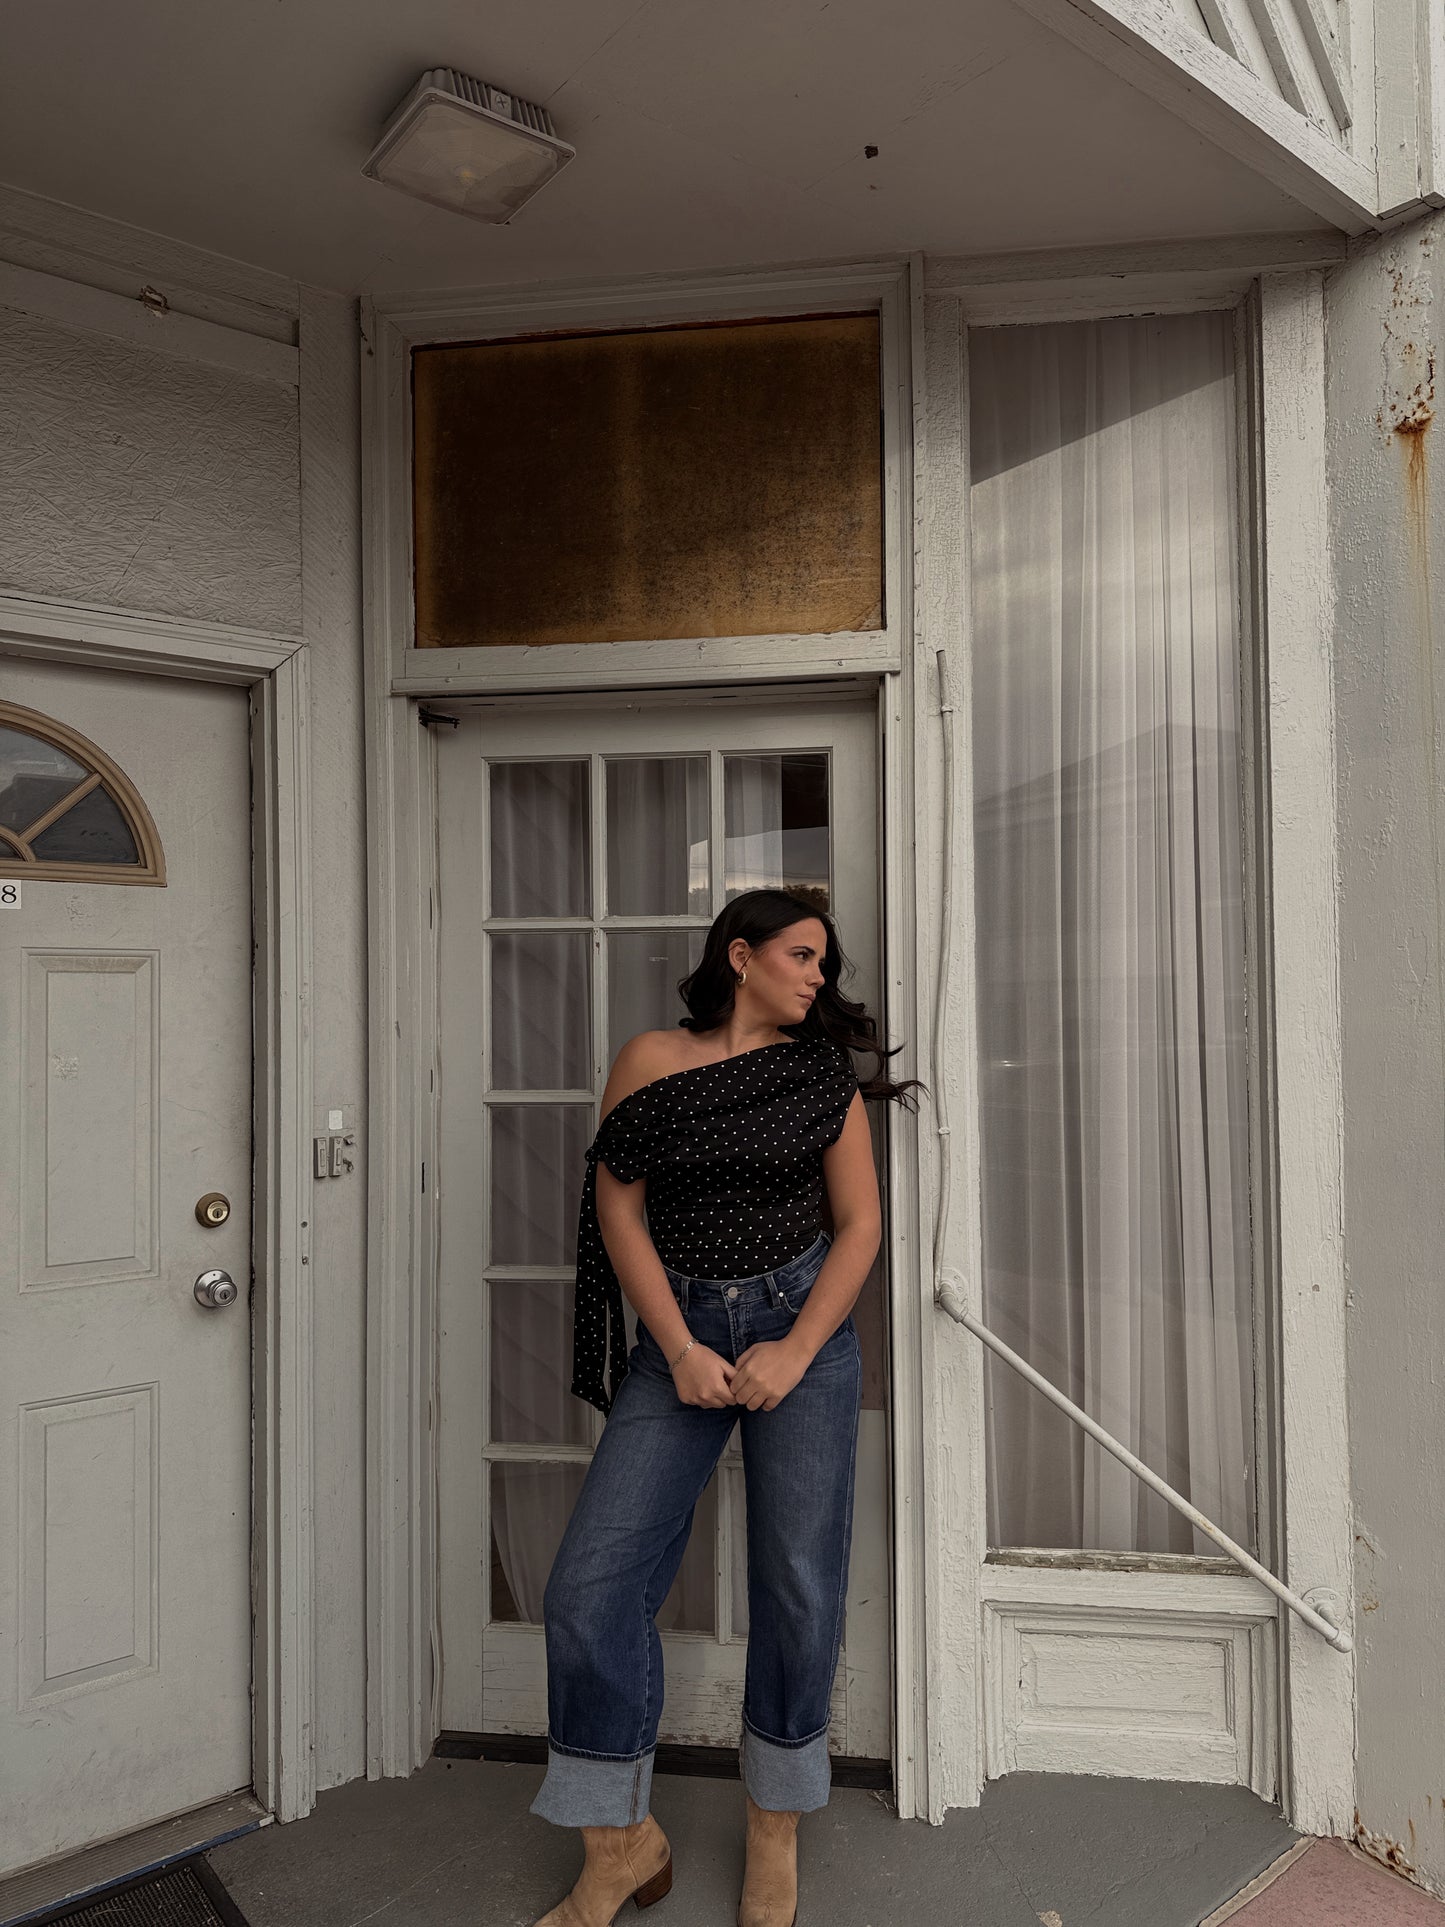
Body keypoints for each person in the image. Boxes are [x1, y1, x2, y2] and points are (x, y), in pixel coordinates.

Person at [529, 888, 918, 1927]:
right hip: (680, 1344)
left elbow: (859, 1226)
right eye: (801, 955)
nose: (817, 977)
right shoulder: (649, 1059)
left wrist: (792, 1350)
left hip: (802, 1341)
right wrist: (678, 1346)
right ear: (738, 955)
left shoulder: (818, 1074)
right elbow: (615, 1201)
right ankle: (619, 1843)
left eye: (823, 963)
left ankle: (773, 1827)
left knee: (796, 1584)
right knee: (588, 1591)